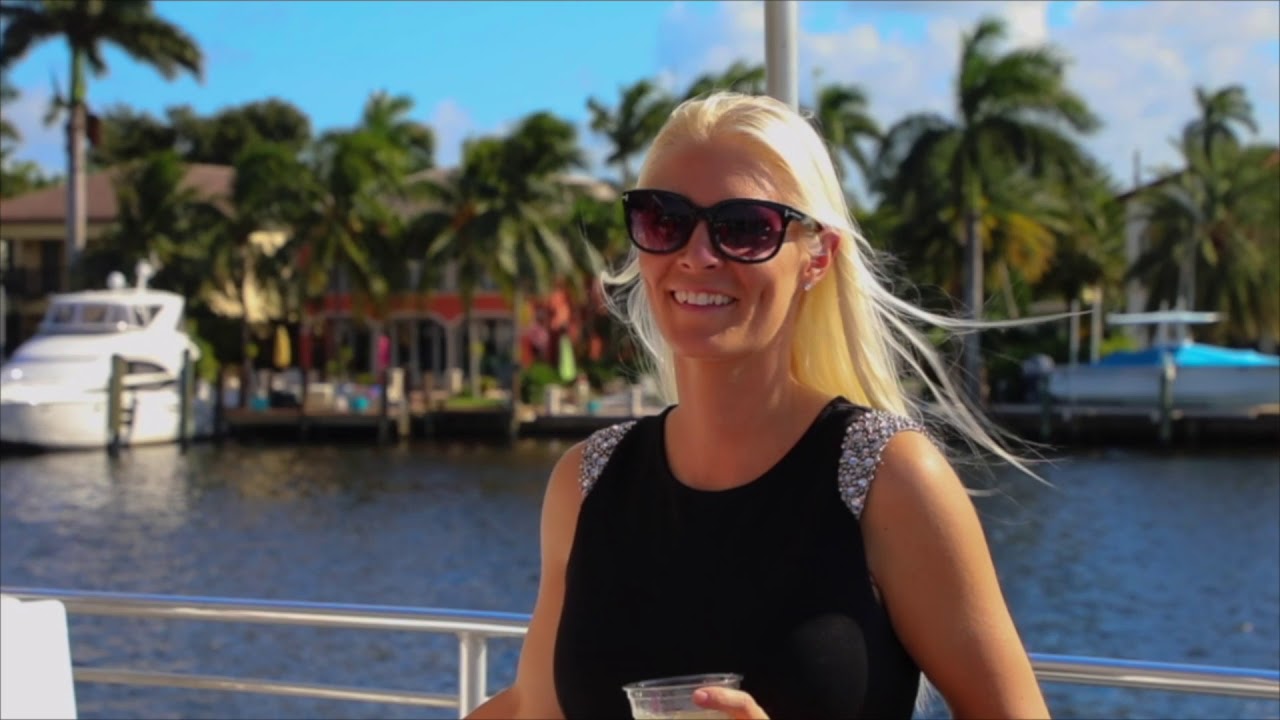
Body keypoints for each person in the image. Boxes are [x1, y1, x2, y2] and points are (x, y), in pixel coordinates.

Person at [467, 92, 1050, 720]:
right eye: (665, 220)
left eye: (745, 228)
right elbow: (536, 708)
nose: (696, 255)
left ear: (817, 257)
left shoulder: (888, 477)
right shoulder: (587, 482)